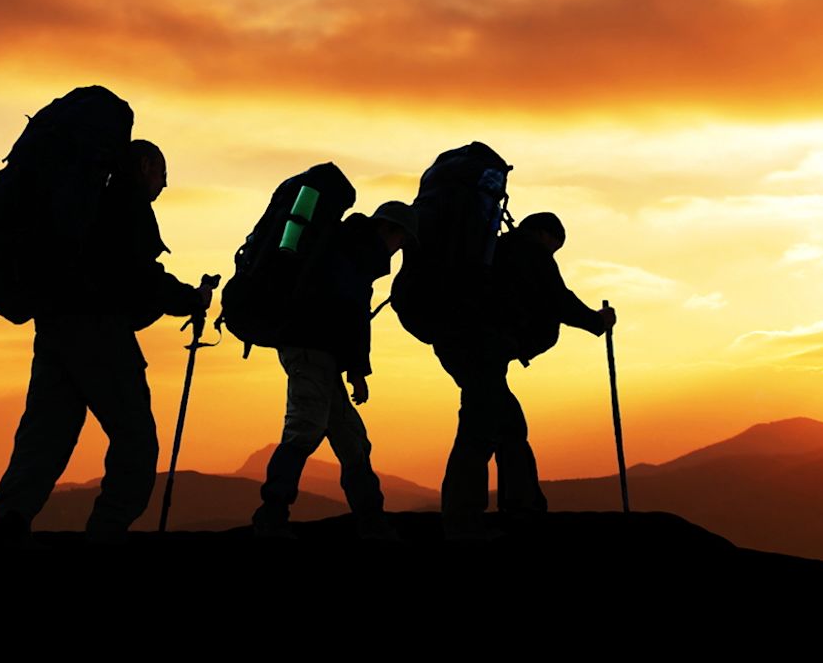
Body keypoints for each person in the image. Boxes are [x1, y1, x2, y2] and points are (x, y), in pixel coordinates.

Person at [0, 139, 214, 544]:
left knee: (44, 437)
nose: (164, 185)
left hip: (54, 329)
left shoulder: (82, 205)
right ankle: (106, 531)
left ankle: (9, 520)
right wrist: (189, 299)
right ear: (145, 166)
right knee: (136, 440)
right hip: (100, 334)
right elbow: (139, 277)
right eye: (162, 174)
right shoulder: (127, 206)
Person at [437, 211, 612, 541]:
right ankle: (464, 524)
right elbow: (558, 299)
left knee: (509, 425)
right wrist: (596, 321)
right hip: (482, 350)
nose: (552, 255)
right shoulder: (529, 252)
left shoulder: (496, 250)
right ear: (545, 235)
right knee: (479, 433)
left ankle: (521, 507)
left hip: (465, 347)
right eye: (554, 248)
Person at [252, 201, 418, 541]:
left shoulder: (348, 245)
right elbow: (350, 314)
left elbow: (346, 313)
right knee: (304, 429)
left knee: (352, 440)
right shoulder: (356, 252)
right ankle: (271, 517)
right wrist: (358, 370)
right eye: (401, 240)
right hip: (311, 347)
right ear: (388, 230)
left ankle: (371, 520)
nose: (399, 249)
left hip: (317, 351)